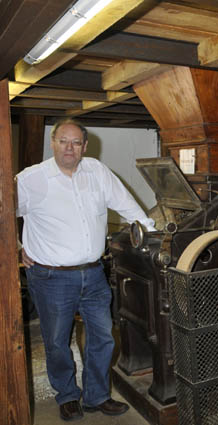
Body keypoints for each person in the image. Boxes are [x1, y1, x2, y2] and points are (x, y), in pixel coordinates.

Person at [16, 118, 155, 421]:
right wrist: (16, 246)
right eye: (63, 141)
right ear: (52, 143)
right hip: (51, 277)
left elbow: (127, 205)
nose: (69, 148)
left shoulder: (97, 171)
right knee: (57, 342)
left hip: (93, 274)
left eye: (76, 142)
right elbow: (4, 211)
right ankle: (67, 395)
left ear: (85, 146)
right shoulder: (31, 179)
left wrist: (152, 233)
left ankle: (97, 396)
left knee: (103, 337)